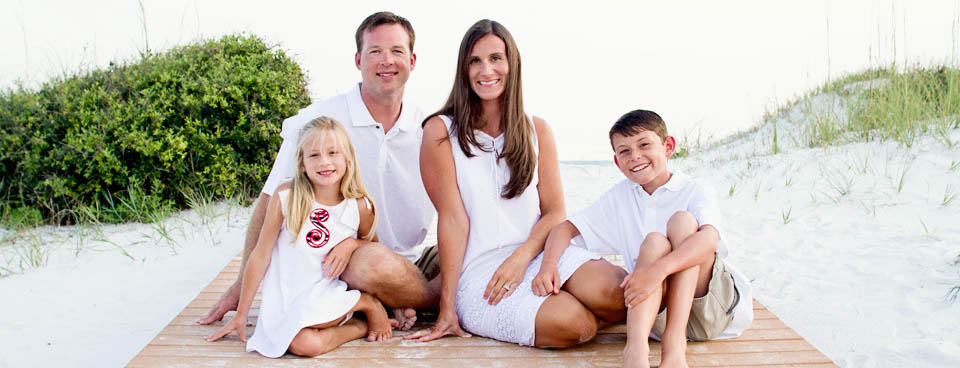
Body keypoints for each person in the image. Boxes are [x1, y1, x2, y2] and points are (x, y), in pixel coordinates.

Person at [197, 11, 437, 331]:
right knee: (373, 262)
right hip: (349, 264)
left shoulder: (430, 127)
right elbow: (271, 199)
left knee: (477, 259)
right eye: (375, 51)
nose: (386, 61)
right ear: (357, 59)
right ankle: (424, 299)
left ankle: (409, 297)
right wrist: (241, 286)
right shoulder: (321, 120)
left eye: (396, 51)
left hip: (414, 261)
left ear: (413, 59)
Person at [407, 19, 627, 347]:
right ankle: (569, 309)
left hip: (539, 251)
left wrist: (522, 258)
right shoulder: (440, 131)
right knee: (574, 324)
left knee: (617, 291)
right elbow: (452, 220)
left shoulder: (536, 129)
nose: (486, 70)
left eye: (496, 58)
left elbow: (554, 213)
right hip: (482, 271)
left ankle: (575, 300)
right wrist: (447, 308)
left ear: (512, 63)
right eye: (475, 61)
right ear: (463, 70)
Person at [533, 110, 754, 368]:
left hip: (711, 309)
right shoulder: (620, 197)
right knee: (654, 242)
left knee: (682, 222)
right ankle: (636, 351)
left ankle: (675, 347)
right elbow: (565, 229)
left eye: (644, 144)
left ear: (668, 146)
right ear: (617, 162)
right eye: (624, 151)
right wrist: (547, 266)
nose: (635, 156)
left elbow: (709, 240)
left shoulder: (694, 188)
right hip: (655, 319)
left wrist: (657, 271)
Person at [205, 117, 396, 357]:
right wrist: (242, 313)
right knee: (303, 344)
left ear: (347, 158)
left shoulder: (359, 205)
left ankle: (366, 302)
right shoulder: (287, 196)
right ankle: (361, 323)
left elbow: (373, 251)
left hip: (327, 295)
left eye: (333, 152)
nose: (324, 162)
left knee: (303, 345)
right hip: (286, 298)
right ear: (302, 163)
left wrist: (351, 243)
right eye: (314, 155)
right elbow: (260, 255)